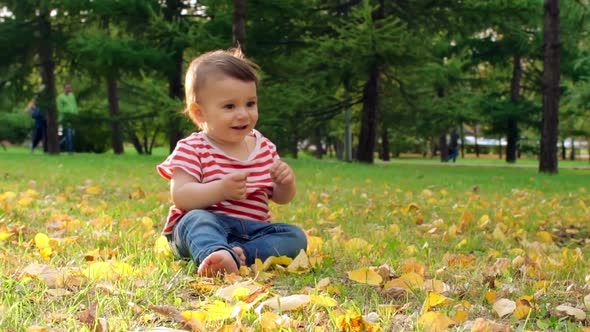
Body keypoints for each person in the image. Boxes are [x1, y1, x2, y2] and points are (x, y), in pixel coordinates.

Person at [156, 49, 307, 277]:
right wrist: (221, 189)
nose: (243, 114)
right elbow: (181, 196)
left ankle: (236, 255)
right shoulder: (193, 147)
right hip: (207, 226)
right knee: (195, 220)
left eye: (250, 103)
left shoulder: (264, 147)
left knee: (295, 236)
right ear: (199, 113)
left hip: (252, 230)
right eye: (230, 106)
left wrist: (285, 184)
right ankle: (213, 251)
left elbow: (281, 198)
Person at [56, 83, 78, 153]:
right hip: (62, 119)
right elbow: (59, 109)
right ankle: (62, 148)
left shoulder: (72, 96)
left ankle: (69, 149)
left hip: (71, 119)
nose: (69, 89)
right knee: (60, 134)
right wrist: (66, 113)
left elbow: (75, 106)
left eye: (70, 88)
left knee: (70, 134)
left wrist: (75, 114)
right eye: (67, 88)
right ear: (64, 88)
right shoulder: (60, 97)